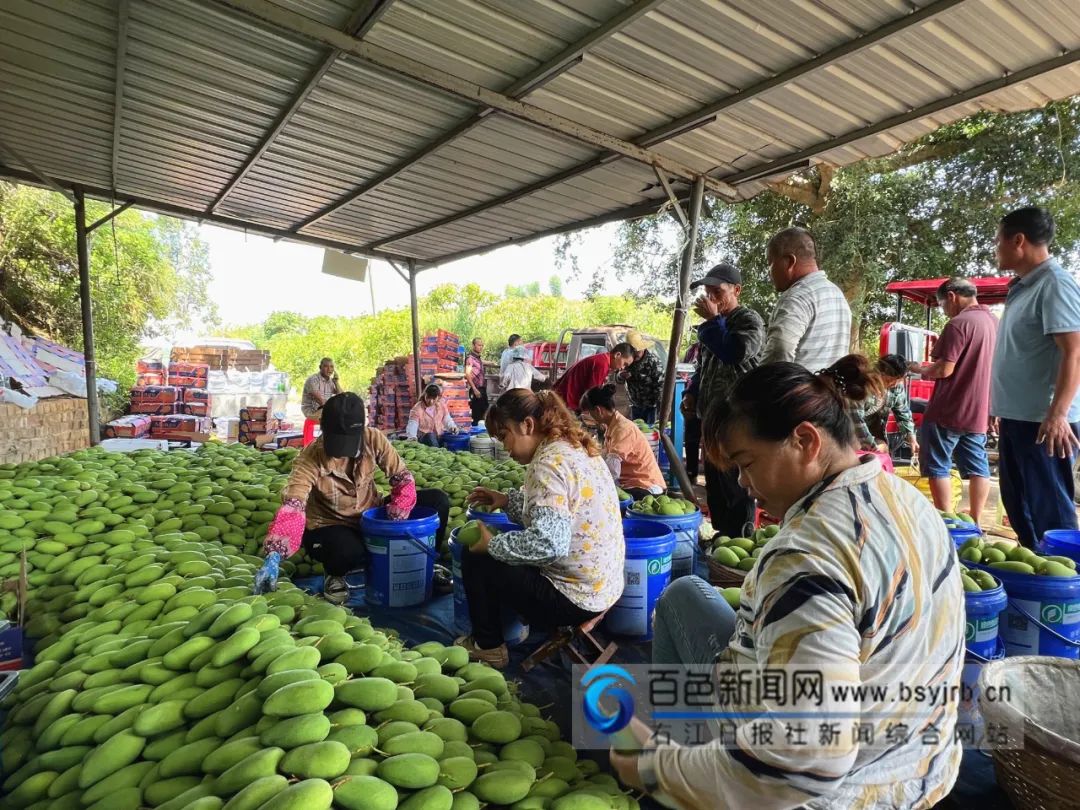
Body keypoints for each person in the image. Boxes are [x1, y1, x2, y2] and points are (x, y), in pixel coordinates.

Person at [611, 357, 964, 809]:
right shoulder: (908, 501)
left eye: (746, 463)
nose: (744, 483)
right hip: (922, 767)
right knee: (685, 595)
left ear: (805, 441)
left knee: (680, 598)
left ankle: (688, 773)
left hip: (840, 793)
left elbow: (809, 759)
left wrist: (657, 770)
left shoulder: (805, 555)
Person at [460, 389, 624, 668]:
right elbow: (557, 510)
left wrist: (492, 545)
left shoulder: (546, 465)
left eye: (505, 436)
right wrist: (506, 501)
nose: (505, 448)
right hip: (605, 586)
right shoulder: (573, 446)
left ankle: (488, 646)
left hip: (575, 599)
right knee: (502, 549)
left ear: (527, 425)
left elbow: (549, 544)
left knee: (476, 555)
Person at [253, 392, 450, 605]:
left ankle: (427, 563)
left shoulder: (373, 439)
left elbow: (402, 477)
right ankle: (334, 574)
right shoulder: (309, 458)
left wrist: (400, 506)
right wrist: (274, 555)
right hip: (331, 525)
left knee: (437, 501)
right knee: (347, 551)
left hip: (370, 516)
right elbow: (294, 504)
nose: (342, 453)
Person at [991, 206, 1080, 547]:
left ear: (1018, 241)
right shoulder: (1023, 287)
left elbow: (1074, 352)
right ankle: (1034, 570)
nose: (996, 249)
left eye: (998, 241)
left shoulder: (1054, 283)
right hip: (1019, 417)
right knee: (1020, 507)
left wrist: (1058, 414)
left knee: (1050, 513)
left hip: (1044, 424)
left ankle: (1064, 575)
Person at [681, 262, 764, 537]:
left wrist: (713, 321)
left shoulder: (748, 320)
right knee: (715, 485)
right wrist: (691, 393)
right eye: (708, 293)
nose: (711, 298)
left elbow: (735, 352)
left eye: (718, 292)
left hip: (736, 420)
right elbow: (703, 368)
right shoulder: (713, 326)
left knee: (735, 484)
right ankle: (720, 536)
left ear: (736, 290)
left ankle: (740, 537)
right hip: (711, 419)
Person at [908, 278, 998, 525]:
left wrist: (918, 368)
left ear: (951, 296)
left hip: (949, 409)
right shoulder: (994, 323)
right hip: (979, 411)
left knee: (938, 465)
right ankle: (976, 520)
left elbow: (944, 369)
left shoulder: (959, 324)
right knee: (978, 466)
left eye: (942, 305)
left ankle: (947, 521)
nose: (944, 310)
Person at [762, 227, 852, 370]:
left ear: (789, 261)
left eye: (770, 263)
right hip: (831, 384)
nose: (769, 272)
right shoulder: (837, 294)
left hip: (799, 385)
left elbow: (780, 348)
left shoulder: (797, 296)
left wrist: (761, 381)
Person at [581, 384, 665, 499]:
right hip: (632, 484)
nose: (589, 417)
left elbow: (612, 471)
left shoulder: (622, 429)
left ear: (598, 410)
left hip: (646, 487)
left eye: (590, 413)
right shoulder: (612, 426)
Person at [849, 353, 918, 456]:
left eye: (898, 380)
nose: (894, 384)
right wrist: (873, 446)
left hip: (872, 431)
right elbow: (856, 420)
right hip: (849, 432)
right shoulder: (861, 386)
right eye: (889, 380)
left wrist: (911, 437)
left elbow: (902, 412)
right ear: (879, 373)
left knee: (882, 451)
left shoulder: (896, 387)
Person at [552, 342, 635, 412]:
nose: (623, 368)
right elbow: (592, 396)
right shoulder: (602, 364)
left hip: (562, 399)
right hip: (564, 402)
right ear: (617, 355)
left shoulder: (602, 359)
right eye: (624, 364)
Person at [621, 331, 662, 424]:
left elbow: (660, 386)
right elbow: (618, 376)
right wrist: (621, 376)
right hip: (635, 404)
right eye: (632, 351)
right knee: (637, 429)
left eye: (637, 351)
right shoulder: (628, 359)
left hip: (651, 407)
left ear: (643, 349)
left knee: (650, 429)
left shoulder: (653, 362)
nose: (635, 354)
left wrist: (659, 408)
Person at [681, 337, 702, 480]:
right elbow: (697, 373)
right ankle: (691, 471)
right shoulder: (693, 350)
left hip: (713, 405)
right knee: (691, 439)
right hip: (695, 399)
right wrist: (688, 393)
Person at [465, 337, 488, 426]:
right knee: (477, 415)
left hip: (482, 389)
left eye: (482, 345)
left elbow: (483, 362)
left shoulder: (478, 358)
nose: (481, 347)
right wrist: (474, 389)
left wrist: (492, 363)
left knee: (484, 412)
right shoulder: (470, 359)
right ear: (473, 345)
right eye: (479, 345)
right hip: (476, 389)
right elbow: (467, 374)